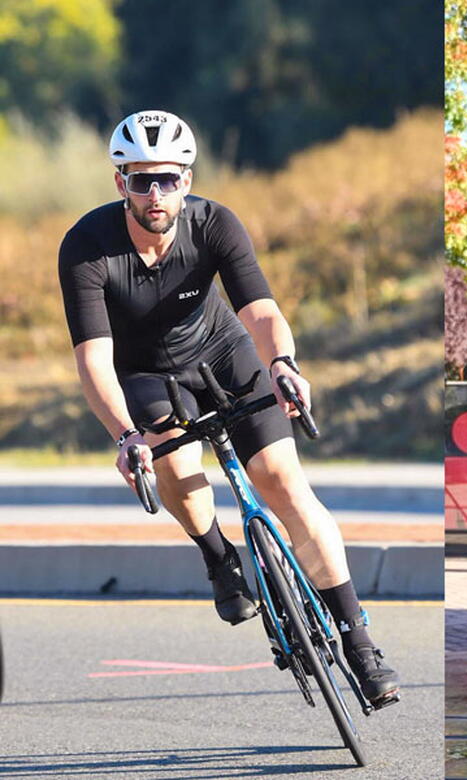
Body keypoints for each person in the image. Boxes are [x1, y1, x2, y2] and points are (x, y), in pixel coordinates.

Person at [57, 110, 400, 706]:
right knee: (174, 463)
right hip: (144, 373)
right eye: (142, 181)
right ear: (121, 185)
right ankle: (220, 558)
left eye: (168, 179)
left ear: (187, 180)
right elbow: (94, 360)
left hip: (221, 353)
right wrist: (124, 436)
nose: (156, 193)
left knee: (284, 484)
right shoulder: (87, 247)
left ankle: (359, 641)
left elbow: (260, 311)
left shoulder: (215, 223)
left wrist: (284, 365)